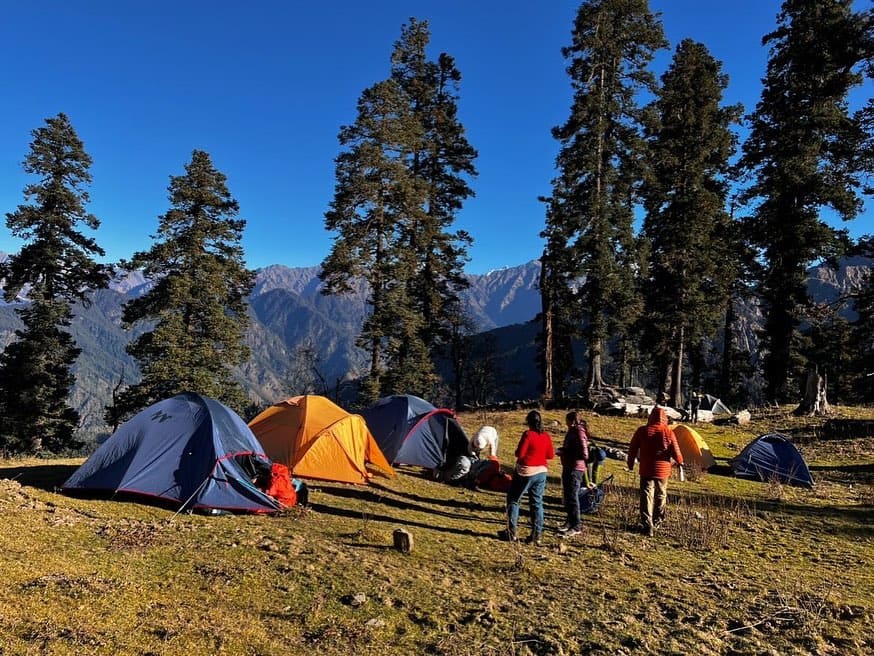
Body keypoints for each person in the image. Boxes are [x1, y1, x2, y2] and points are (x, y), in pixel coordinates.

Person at [498, 410, 555, 545]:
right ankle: (537, 535)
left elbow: (520, 454)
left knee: (514, 499)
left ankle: (511, 533)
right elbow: (550, 455)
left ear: (528, 422)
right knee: (537, 503)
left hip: (525, 471)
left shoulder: (528, 434)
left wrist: (518, 452)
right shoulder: (545, 436)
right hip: (541, 472)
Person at [626, 406, 684, 537]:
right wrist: (680, 461)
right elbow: (676, 451)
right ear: (664, 418)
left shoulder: (642, 431)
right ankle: (658, 520)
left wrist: (630, 464)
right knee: (661, 494)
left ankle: (647, 524)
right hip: (663, 471)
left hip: (646, 469)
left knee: (646, 495)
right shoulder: (668, 432)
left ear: (651, 417)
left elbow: (632, 449)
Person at [555, 411, 592, 539]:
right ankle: (570, 520)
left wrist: (566, 453)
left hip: (575, 468)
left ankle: (576, 525)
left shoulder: (578, 432)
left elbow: (584, 454)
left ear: (571, 421)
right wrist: (563, 450)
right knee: (568, 495)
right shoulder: (573, 431)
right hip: (569, 466)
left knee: (572, 496)